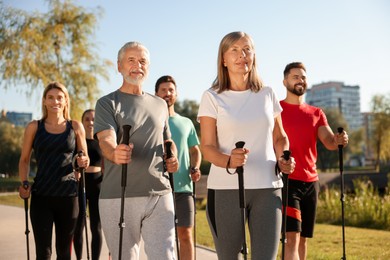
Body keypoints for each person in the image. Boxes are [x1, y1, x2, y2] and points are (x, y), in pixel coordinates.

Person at [197, 31, 296, 259]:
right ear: (223, 59)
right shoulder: (212, 97)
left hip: (268, 188)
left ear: (254, 55)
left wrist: (283, 158)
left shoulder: (267, 93)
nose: (242, 55)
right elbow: (208, 147)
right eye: (234, 50)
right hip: (226, 189)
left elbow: (280, 137)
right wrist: (229, 160)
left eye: (247, 49)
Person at [94, 41, 179, 260]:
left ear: (148, 68)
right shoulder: (107, 103)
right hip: (118, 196)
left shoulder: (160, 104)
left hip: (160, 192)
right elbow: (106, 139)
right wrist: (114, 152)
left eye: (142, 61)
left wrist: (173, 155)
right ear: (119, 66)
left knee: (165, 257)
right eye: (131, 60)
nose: (137, 65)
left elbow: (167, 140)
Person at [280, 62, 349, 260]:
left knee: (303, 238)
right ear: (285, 81)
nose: (300, 80)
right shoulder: (277, 110)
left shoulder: (316, 113)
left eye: (303, 77)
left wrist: (339, 140)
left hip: (311, 182)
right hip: (287, 180)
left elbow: (329, 142)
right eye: (295, 77)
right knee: (291, 236)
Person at [18, 81, 89, 260]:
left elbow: (85, 159)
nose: (55, 101)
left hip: (69, 196)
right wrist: (24, 182)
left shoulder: (75, 127)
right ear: (44, 101)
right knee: (44, 253)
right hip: (41, 196)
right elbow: (24, 160)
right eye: (50, 97)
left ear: (66, 101)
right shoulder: (34, 127)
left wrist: (82, 160)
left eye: (59, 97)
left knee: (64, 252)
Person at [155, 75, 202, 260]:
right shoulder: (151, 122)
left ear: (176, 94)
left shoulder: (186, 122)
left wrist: (195, 167)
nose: (167, 93)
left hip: (184, 188)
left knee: (185, 235)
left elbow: (195, 151)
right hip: (158, 188)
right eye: (163, 90)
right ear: (156, 94)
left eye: (171, 90)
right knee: (163, 238)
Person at [73, 109, 103, 260]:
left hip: (98, 186)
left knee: (96, 227)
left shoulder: (102, 140)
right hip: (81, 185)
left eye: (93, 119)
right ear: (82, 122)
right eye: (87, 119)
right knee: (78, 227)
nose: (91, 122)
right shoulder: (77, 141)